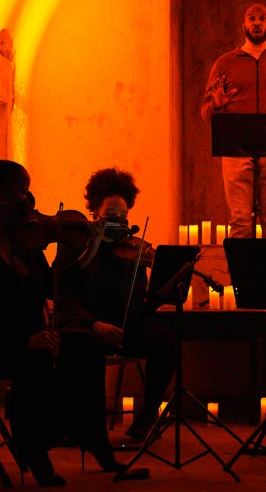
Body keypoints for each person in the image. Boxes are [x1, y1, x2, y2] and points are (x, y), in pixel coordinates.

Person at [0, 160, 143, 485]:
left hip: (23, 336)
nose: (30, 201)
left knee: (86, 346)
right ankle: (35, 452)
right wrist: (26, 339)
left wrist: (86, 253)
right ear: (2, 197)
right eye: (23, 193)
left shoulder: (24, 242)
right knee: (35, 360)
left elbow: (53, 284)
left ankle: (96, 444)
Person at [53, 167, 176, 445]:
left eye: (124, 216)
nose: (119, 223)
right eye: (111, 216)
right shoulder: (76, 245)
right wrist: (95, 325)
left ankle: (145, 420)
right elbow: (63, 294)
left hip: (123, 328)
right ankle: (88, 428)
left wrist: (159, 284)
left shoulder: (132, 249)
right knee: (87, 347)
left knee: (165, 342)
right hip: (86, 328)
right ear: (94, 212)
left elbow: (139, 303)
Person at [200, 3, 266, 238]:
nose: (257, 22)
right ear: (244, 25)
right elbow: (206, 111)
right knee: (239, 224)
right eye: (251, 18)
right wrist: (216, 104)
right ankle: (242, 276)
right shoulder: (223, 64)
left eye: (262, 18)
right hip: (235, 153)